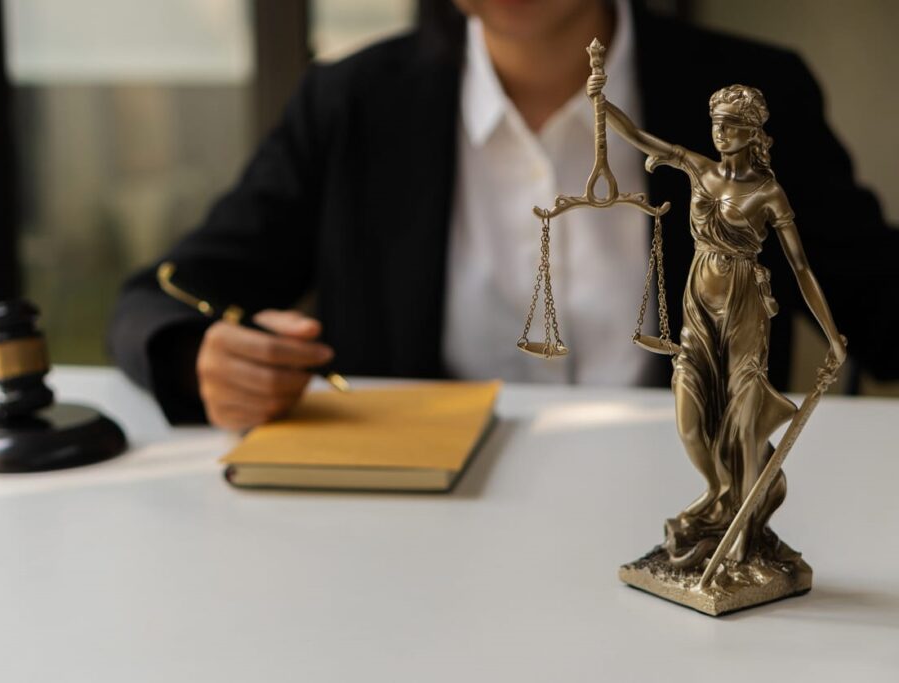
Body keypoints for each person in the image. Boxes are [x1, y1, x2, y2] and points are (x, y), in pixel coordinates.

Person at [109, 0, 899, 430]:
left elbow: (874, 295)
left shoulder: (747, 95)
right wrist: (198, 355)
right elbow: (164, 294)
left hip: (673, 509)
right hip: (420, 524)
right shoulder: (350, 103)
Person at [599, 79, 845, 566]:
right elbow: (641, 137)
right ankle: (718, 493)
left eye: (732, 126)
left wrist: (831, 335)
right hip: (698, 305)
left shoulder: (768, 193)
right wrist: (601, 104)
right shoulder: (699, 170)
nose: (721, 133)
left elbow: (801, 269)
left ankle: (742, 534)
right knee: (690, 419)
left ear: (753, 132)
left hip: (744, 309)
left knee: (743, 420)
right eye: (717, 124)